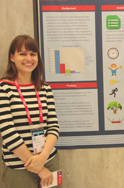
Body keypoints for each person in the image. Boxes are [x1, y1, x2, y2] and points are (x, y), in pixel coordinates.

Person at [0, 35, 61, 188]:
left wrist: (43, 158)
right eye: (23, 54)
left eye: (33, 54)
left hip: (50, 161)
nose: (29, 58)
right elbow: (7, 131)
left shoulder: (45, 88)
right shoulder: (4, 88)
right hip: (19, 166)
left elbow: (53, 126)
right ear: (12, 57)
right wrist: (39, 167)